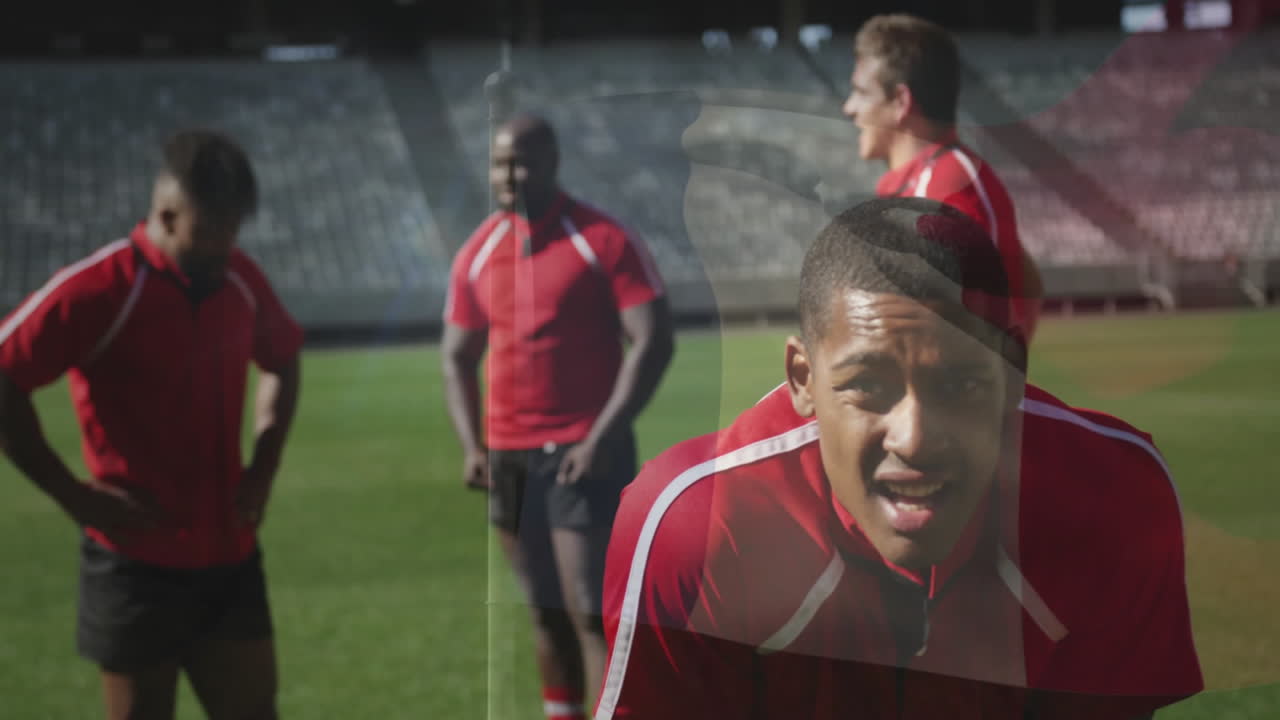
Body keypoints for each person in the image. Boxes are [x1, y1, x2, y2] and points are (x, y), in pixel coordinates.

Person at [595, 197, 1201, 719]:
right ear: (802, 379)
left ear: (1012, 375)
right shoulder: (696, 526)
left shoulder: (1114, 499)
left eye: (960, 385)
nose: (915, 439)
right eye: (868, 384)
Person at [0, 129, 302, 720]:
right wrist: (72, 496)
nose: (224, 247)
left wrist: (264, 464)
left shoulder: (239, 278)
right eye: (209, 231)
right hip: (135, 565)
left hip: (230, 555)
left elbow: (283, 360)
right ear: (166, 214)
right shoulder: (100, 288)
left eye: (233, 230)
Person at [442, 113, 674, 720]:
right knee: (543, 611)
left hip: (583, 454)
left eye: (523, 161)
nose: (511, 175)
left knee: (591, 611)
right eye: (500, 163)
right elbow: (456, 357)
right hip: (510, 461)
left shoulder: (600, 238)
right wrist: (473, 447)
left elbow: (652, 340)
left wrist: (604, 435)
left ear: (552, 163)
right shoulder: (477, 252)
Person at [843, 13, 1044, 341]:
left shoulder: (947, 186)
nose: (849, 108)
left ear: (900, 102)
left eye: (861, 92)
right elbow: (1029, 280)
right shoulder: (929, 180)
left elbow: (953, 335)